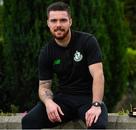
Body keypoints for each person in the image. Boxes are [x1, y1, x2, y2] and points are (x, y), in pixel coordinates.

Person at [21, 1, 108, 129]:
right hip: (63, 100)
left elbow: (98, 75)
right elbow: (44, 86)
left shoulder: (87, 41)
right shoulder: (47, 52)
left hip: (88, 99)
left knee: (98, 125)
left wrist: (96, 105)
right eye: (54, 21)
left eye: (63, 20)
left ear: (70, 22)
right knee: (29, 121)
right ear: (48, 23)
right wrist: (49, 102)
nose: (58, 25)